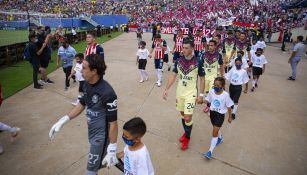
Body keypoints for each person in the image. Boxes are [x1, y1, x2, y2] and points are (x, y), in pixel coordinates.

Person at [49, 54, 122, 175]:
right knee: (100, 163)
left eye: (84, 68)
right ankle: (121, 158)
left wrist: (112, 148)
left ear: (94, 71)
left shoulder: (108, 93)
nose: (80, 70)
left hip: (101, 138)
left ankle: (118, 157)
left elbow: (113, 123)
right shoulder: (87, 84)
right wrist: (64, 120)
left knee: (91, 171)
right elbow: (82, 103)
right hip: (92, 133)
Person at [163, 39, 205, 150]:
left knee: (187, 117)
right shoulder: (178, 60)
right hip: (180, 92)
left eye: (186, 48)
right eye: (183, 47)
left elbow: (202, 78)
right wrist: (166, 89)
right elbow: (173, 75)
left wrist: (201, 94)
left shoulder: (198, 61)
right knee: (182, 114)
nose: (184, 50)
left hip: (191, 94)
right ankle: (186, 132)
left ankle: (187, 137)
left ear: (192, 48)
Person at [204, 77, 234, 160]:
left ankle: (210, 151)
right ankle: (220, 138)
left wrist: (230, 117)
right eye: (214, 85)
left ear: (223, 86)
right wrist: (201, 100)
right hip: (212, 113)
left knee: (214, 132)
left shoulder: (225, 95)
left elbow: (229, 107)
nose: (215, 87)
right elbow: (208, 100)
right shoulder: (211, 91)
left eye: (218, 85)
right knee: (215, 128)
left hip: (220, 115)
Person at [201, 40, 224, 113]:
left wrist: (222, 75)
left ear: (215, 46)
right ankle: (208, 105)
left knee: (212, 92)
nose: (210, 47)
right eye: (209, 45)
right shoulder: (204, 54)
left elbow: (221, 65)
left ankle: (211, 108)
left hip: (213, 78)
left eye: (212, 45)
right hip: (205, 77)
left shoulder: (218, 55)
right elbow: (200, 65)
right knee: (207, 93)